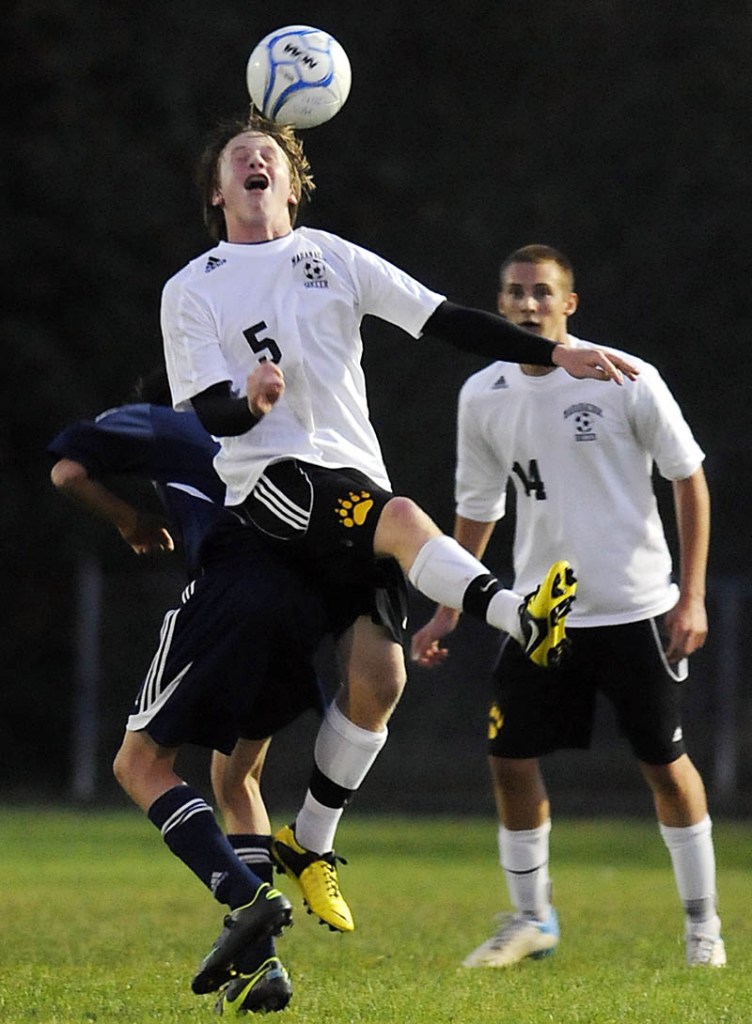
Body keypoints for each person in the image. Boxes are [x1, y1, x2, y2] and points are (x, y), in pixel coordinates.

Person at [160, 113, 638, 944]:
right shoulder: (193, 286)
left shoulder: (333, 258)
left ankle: (306, 848)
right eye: (239, 156)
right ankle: (521, 615)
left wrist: (550, 352)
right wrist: (251, 402)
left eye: (269, 153)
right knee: (407, 519)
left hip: (354, 491)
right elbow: (204, 410)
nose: (255, 159)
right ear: (216, 190)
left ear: (294, 182)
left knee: (377, 686)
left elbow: (444, 318)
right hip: (273, 490)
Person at [411, 244, 724, 968]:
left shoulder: (622, 377)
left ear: (568, 304)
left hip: (636, 606)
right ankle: (532, 917)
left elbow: (690, 479)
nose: (528, 305)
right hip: (539, 612)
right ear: (499, 303)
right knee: (509, 758)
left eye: (542, 293)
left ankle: (702, 925)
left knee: (664, 763)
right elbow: (478, 506)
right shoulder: (483, 393)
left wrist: (693, 597)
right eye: (516, 293)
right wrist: (451, 606)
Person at [48, 373, 336, 1012]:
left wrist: (130, 519)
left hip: (230, 590)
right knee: (239, 782)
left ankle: (246, 898)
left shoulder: (162, 417)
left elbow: (67, 473)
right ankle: (261, 971)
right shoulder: (283, 426)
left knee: (138, 763)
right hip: (300, 602)